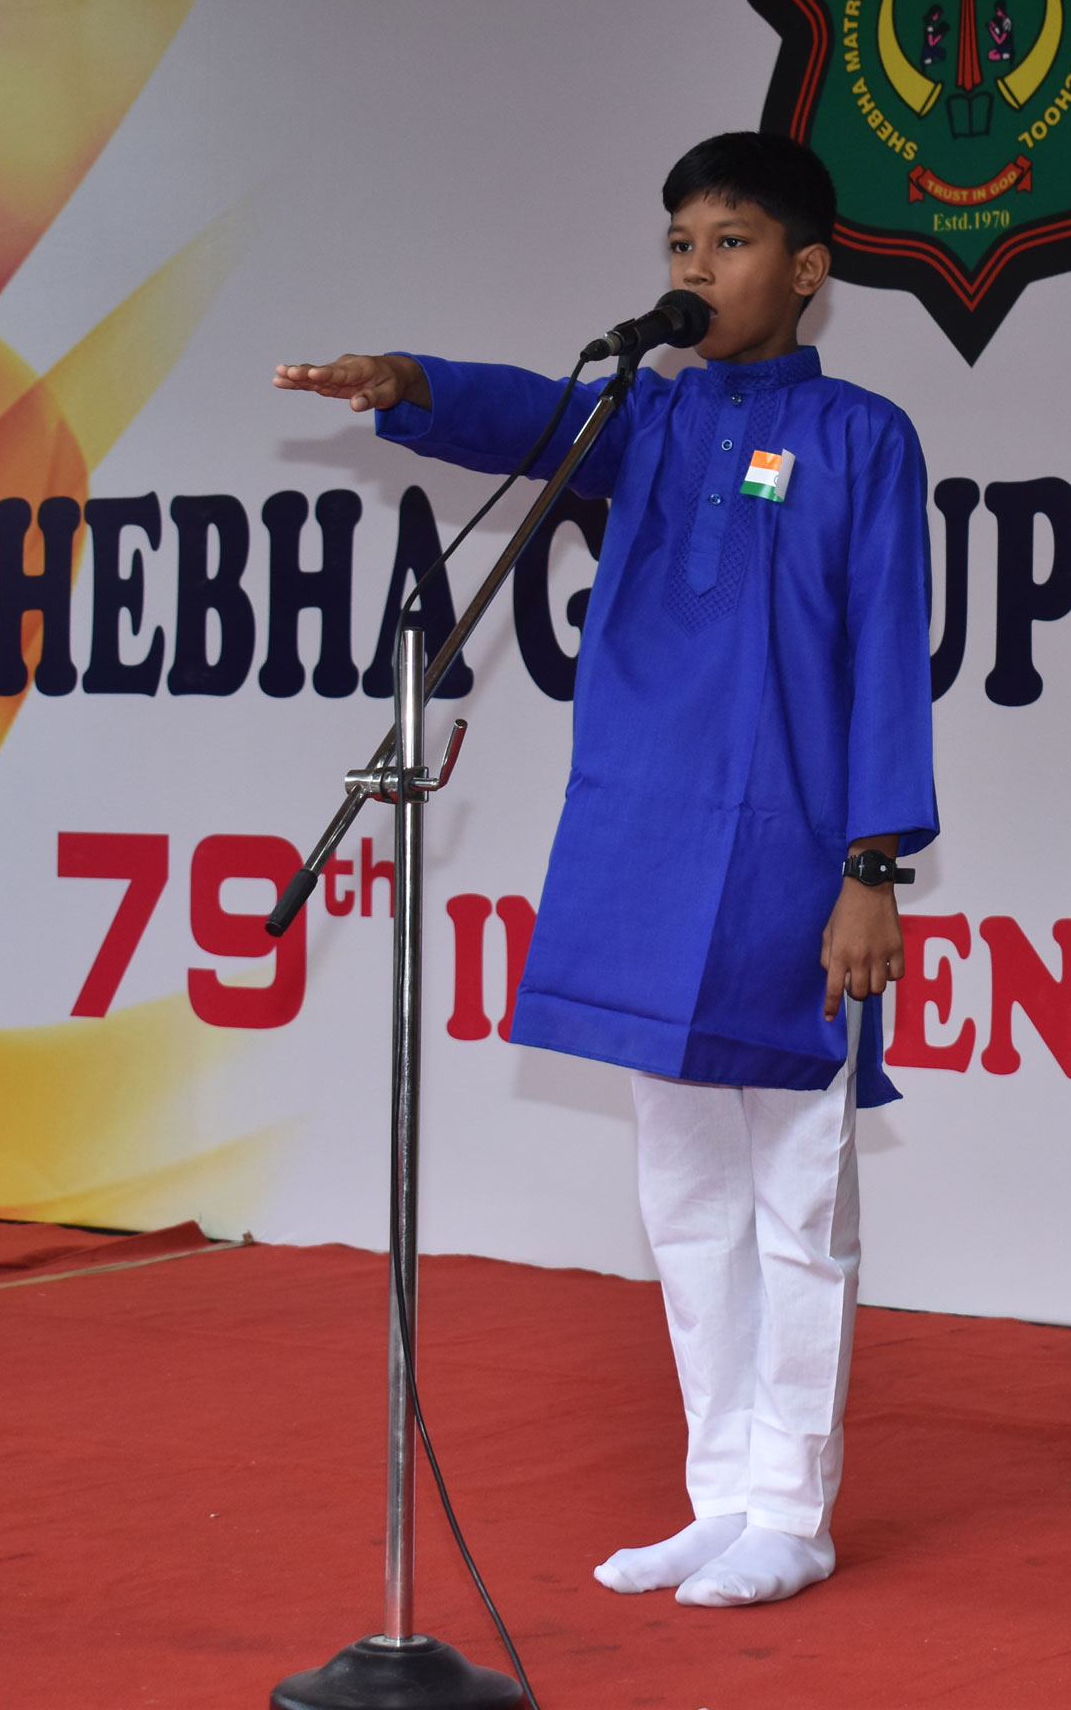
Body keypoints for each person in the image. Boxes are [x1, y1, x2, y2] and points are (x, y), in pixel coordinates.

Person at [271, 132, 937, 1609]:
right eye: (680, 245)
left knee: (799, 1206)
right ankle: (719, 1498)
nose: (698, 269)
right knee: (686, 1201)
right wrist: (409, 379)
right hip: (645, 850)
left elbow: (891, 656)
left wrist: (873, 867)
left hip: (796, 864)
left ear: (809, 271)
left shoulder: (864, 440)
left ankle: (793, 1511)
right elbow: (529, 413)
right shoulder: (649, 420)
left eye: (731, 244)